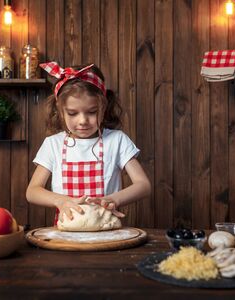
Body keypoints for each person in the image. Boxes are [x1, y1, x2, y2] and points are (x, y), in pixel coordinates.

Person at [26, 61, 151, 224]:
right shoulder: (53, 145)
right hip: (66, 234)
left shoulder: (116, 140)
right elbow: (32, 191)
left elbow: (143, 185)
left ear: (103, 107)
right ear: (60, 111)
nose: (83, 120)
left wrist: (114, 199)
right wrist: (60, 201)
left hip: (107, 232)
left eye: (92, 112)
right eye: (72, 113)